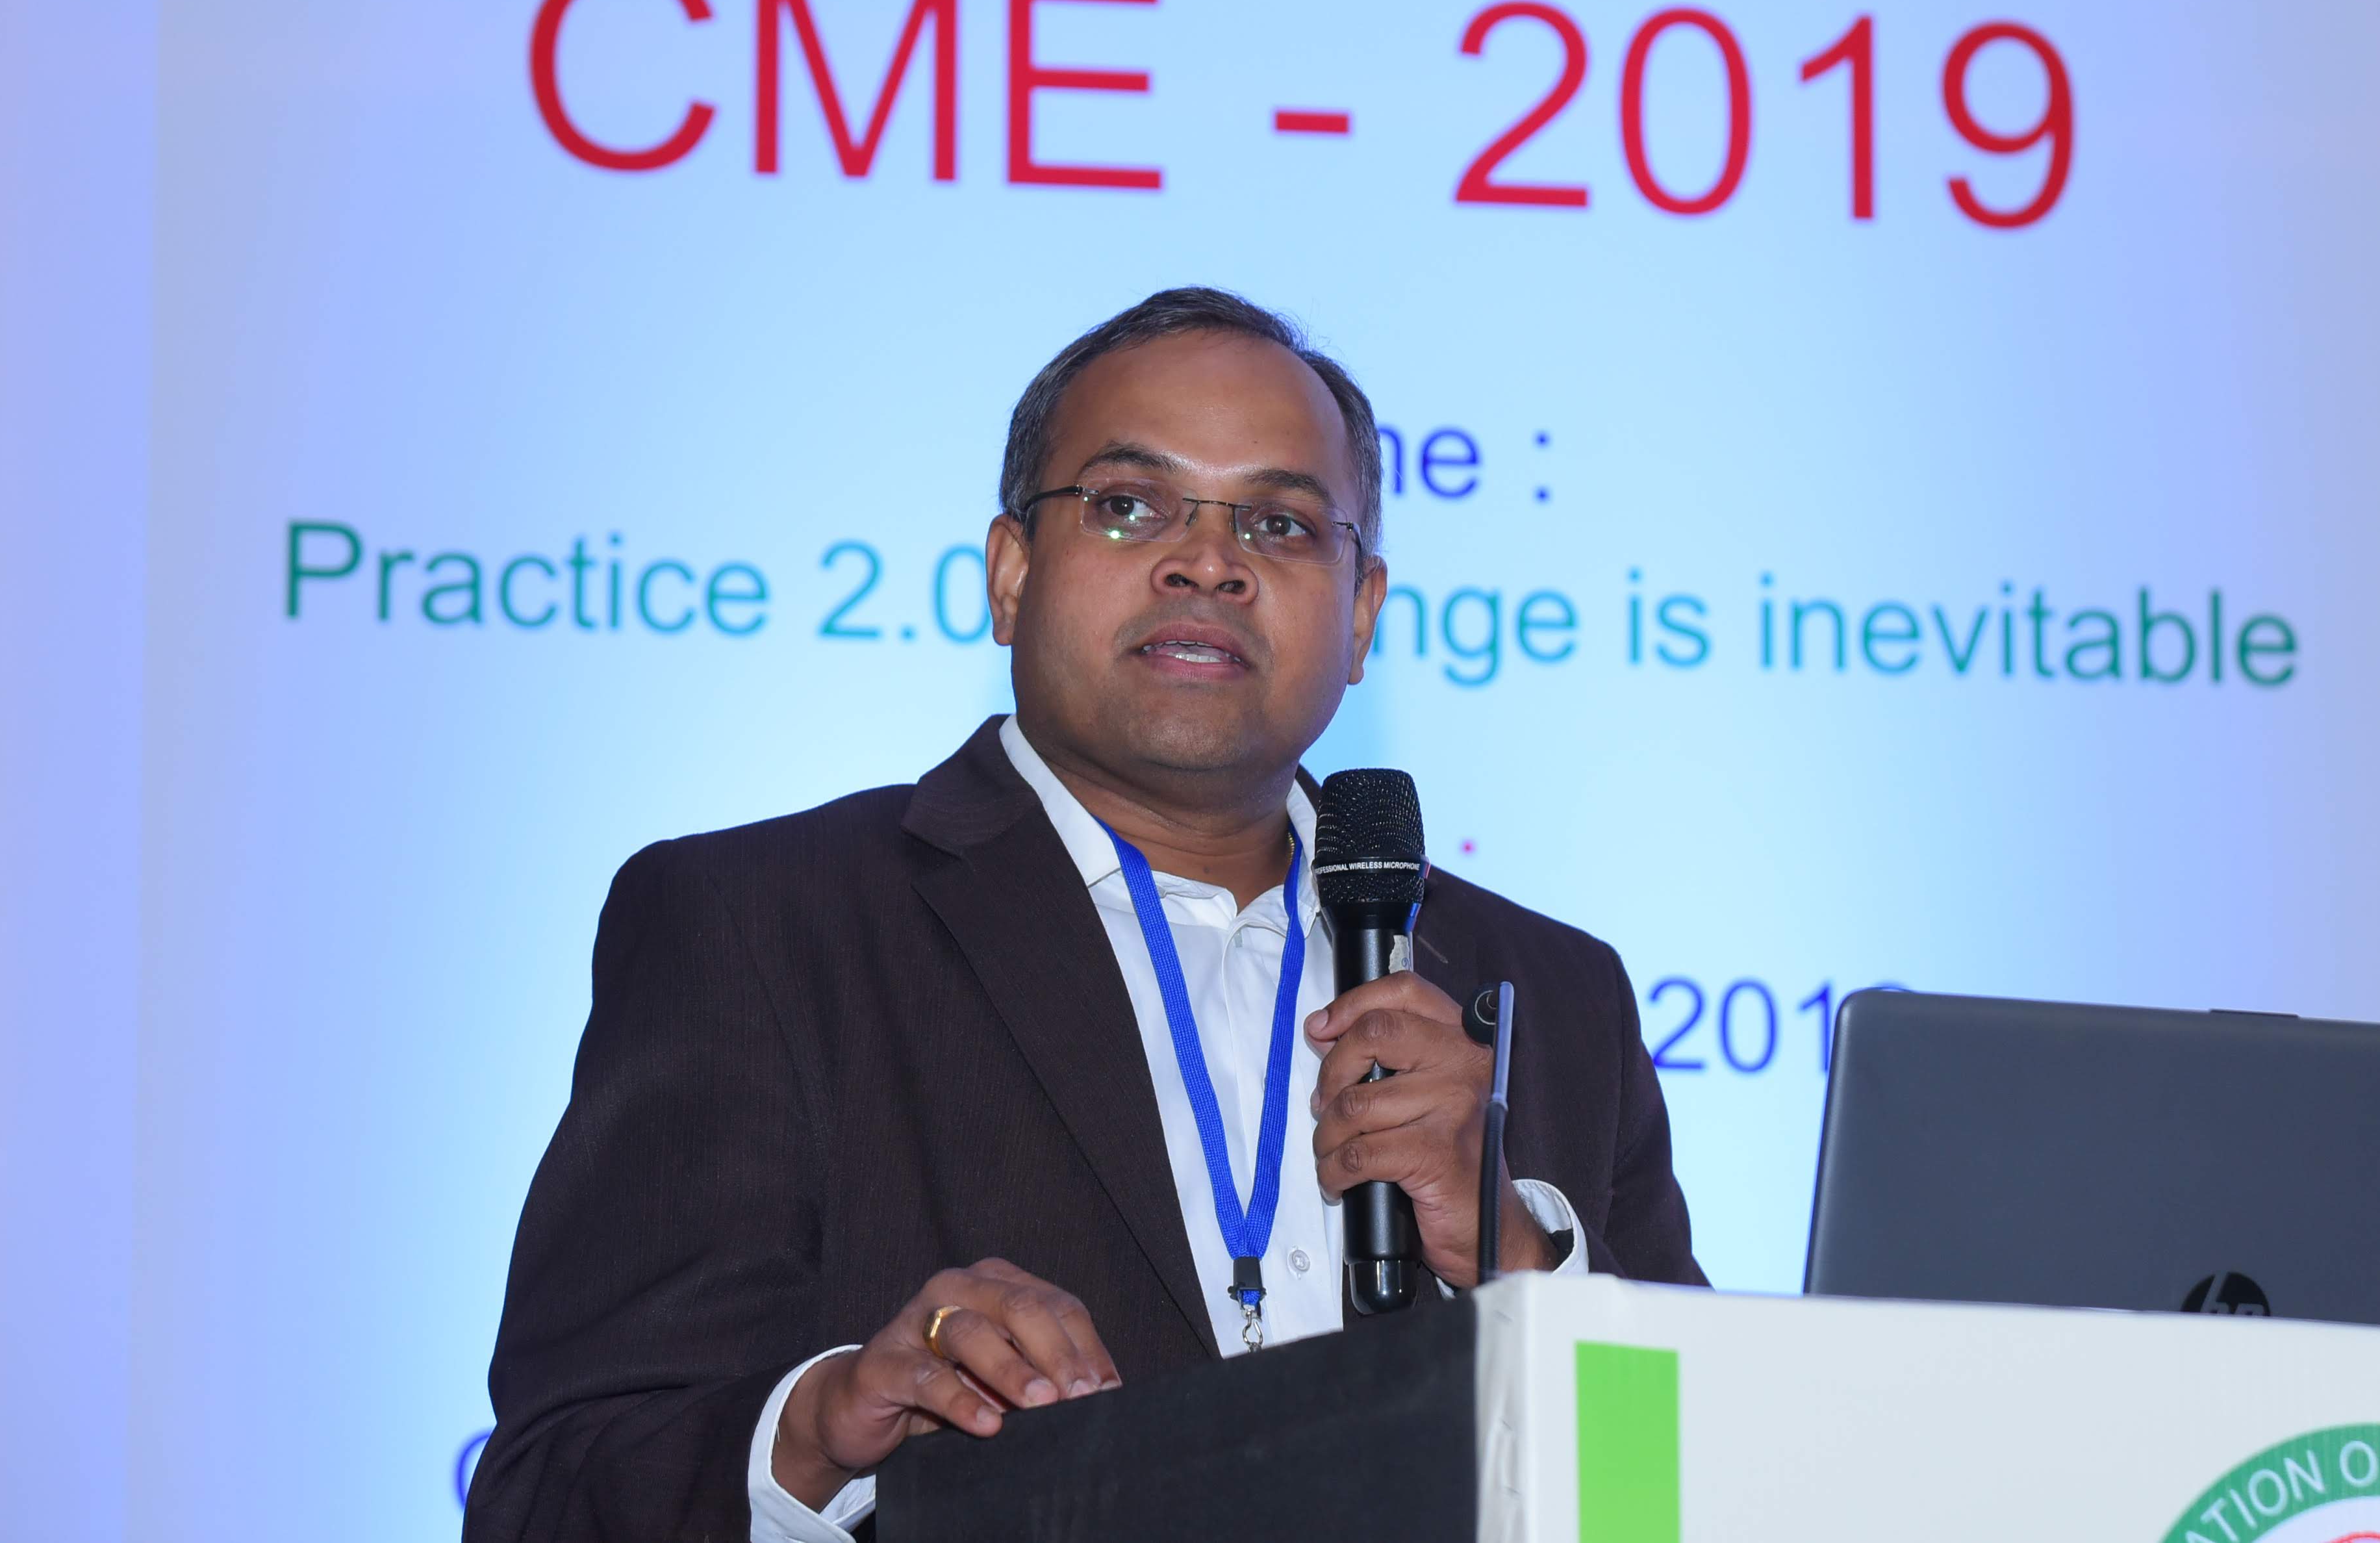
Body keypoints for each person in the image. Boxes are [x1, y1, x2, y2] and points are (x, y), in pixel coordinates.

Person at [465, 288, 1703, 1542]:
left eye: (1277, 523)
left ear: (1362, 614)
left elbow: (1706, 1491)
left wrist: (1518, 1260)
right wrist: (816, 1431)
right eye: (1129, 505)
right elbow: (552, 1496)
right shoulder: (765, 927)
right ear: (1011, 575)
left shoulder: (1551, 993)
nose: (1207, 562)